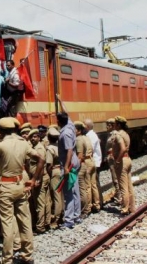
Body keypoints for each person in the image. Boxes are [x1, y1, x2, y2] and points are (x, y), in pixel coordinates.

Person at [0, 117, 45, 264]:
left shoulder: (0, 146)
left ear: (0, 130)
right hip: (21, 184)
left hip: (6, 186)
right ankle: (27, 255)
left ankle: (7, 258)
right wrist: (33, 179)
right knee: (25, 220)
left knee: (7, 223)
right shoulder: (23, 143)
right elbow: (41, 159)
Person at [56, 94, 81, 229]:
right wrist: (61, 100)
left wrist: (65, 167)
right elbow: (67, 113)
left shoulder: (65, 133)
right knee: (75, 189)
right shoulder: (70, 125)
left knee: (68, 192)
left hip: (69, 163)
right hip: (75, 162)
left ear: (59, 122)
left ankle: (69, 220)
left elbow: (69, 150)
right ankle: (77, 216)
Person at [28, 129, 51, 234]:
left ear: (39, 137)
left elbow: (41, 165)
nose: (33, 138)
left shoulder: (39, 149)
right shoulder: (36, 147)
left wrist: (38, 179)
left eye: (35, 136)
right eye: (32, 137)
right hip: (43, 177)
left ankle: (40, 227)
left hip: (40, 178)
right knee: (46, 201)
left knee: (40, 203)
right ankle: (46, 223)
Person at [113, 116, 135, 215]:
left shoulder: (118, 135)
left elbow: (122, 148)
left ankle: (125, 208)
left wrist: (117, 161)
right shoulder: (126, 134)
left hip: (122, 160)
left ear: (118, 124)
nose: (113, 125)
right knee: (129, 185)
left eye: (115, 123)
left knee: (123, 186)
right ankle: (132, 207)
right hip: (128, 159)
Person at [74, 121, 95, 218]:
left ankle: (85, 210)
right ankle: (88, 208)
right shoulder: (86, 138)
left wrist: (74, 167)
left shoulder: (78, 139)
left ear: (78, 131)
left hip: (82, 164)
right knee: (88, 187)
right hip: (89, 161)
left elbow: (80, 155)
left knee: (82, 189)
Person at [45, 127, 64, 226]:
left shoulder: (50, 149)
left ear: (48, 137)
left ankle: (57, 217)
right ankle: (63, 213)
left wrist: (48, 175)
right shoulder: (59, 146)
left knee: (56, 195)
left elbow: (49, 164)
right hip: (61, 170)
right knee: (61, 194)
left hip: (54, 172)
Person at [84, 118, 102, 212]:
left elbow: (88, 150)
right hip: (95, 161)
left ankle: (91, 205)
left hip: (91, 161)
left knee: (89, 185)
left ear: (86, 126)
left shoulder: (89, 136)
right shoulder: (93, 134)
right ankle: (97, 204)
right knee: (94, 184)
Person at [105, 118, 120, 202]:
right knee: (114, 177)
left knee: (115, 178)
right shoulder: (110, 134)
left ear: (113, 126)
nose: (107, 127)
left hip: (112, 157)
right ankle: (118, 195)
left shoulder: (114, 134)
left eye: (108, 125)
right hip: (110, 157)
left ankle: (119, 197)